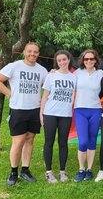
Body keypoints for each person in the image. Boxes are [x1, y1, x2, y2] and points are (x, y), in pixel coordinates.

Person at [0, 42, 48, 186]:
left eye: (35, 52)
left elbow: (48, 86)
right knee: (18, 142)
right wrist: (10, 94)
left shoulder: (42, 70)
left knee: (30, 140)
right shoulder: (14, 66)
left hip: (34, 110)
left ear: (38, 53)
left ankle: (25, 170)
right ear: (24, 52)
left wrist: (54, 73)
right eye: (30, 51)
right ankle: (13, 172)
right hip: (18, 110)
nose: (32, 54)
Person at [40, 50, 76, 183]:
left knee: (63, 143)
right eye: (59, 60)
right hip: (50, 113)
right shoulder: (52, 76)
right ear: (57, 62)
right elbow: (44, 96)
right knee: (49, 142)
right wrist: (41, 114)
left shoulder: (74, 77)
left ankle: (62, 171)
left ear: (69, 60)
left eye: (64, 59)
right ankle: (49, 172)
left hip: (65, 115)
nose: (62, 62)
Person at [73, 49, 103, 182]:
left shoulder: (101, 74)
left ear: (96, 60)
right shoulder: (77, 73)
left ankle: (89, 169)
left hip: (95, 110)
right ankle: (81, 169)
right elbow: (63, 78)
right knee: (83, 141)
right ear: (82, 60)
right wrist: (53, 72)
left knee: (92, 141)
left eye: (92, 59)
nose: (89, 61)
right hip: (80, 110)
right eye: (86, 59)